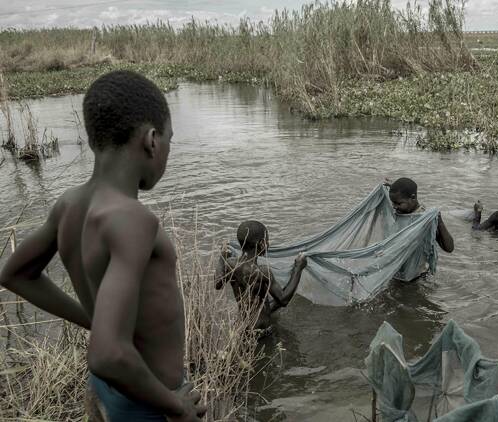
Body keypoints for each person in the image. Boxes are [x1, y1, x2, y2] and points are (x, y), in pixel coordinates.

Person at [0, 70, 206, 421]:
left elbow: (15, 274)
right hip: (147, 401)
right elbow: (109, 354)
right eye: (170, 139)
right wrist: (177, 408)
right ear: (152, 140)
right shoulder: (132, 219)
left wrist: (95, 321)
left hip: (106, 389)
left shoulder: (68, 205)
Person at [215, 221, 307, 336]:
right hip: (261, 333)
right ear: (262, 243)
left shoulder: (230, 264)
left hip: (243, 327)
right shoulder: (263, 272)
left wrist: (222, 257)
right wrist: (298, 268)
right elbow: (283, 300)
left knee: (263, 300)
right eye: (267, 241)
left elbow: (218, 284)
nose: (268, 244)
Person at [386, 177, 454, 253]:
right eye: (393, 203)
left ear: (413, 197)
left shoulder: (424, 220)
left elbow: (449, 248)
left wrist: (439, 221)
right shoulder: (401, 211)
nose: (394, 207)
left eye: (398, 203)